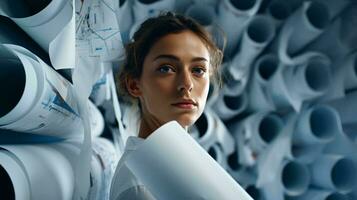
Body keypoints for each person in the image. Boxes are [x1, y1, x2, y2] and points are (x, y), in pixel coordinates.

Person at [110, 12, 224, 200]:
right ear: (135, 85)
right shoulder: (140, 188)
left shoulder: (184, 164)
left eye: (198, 70)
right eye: (166, 68)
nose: (187, 84)